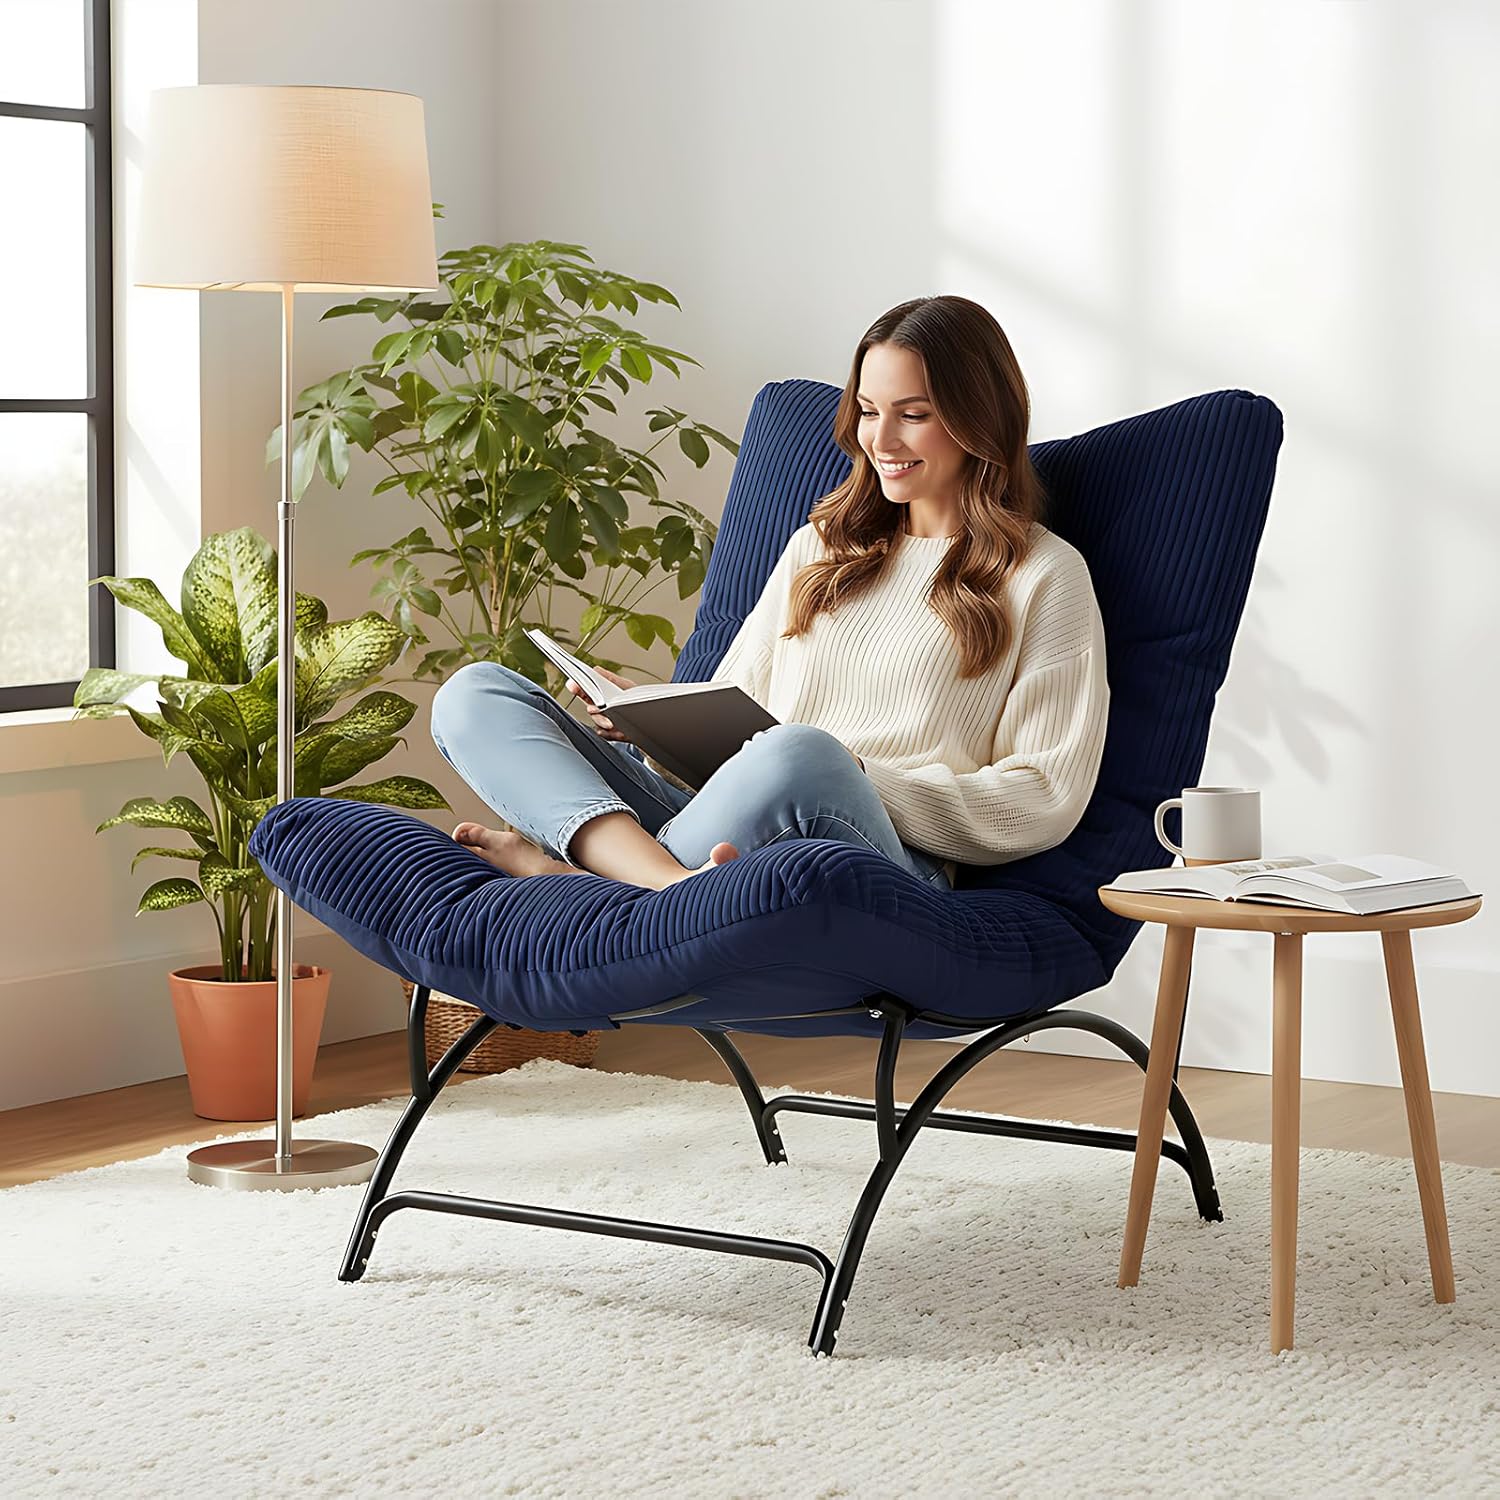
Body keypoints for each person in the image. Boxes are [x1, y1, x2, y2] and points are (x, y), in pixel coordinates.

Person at [428, 294, 1110, 891]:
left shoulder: (1044, 576)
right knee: (477, 691)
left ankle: (589, 881)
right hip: (718, 839)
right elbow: (735, 723)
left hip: (888, 856)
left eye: (914, 414)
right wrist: (644, 717)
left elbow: (1043, 797)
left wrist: (858, 773)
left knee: (801, 750)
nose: (881, 439)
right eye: (869, 411)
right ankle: (663, 886)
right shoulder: (820, 546)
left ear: (980, 419)